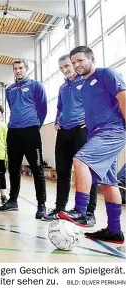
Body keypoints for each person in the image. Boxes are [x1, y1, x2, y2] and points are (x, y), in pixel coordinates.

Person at [59, 46, 125, 244]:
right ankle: (115, 231)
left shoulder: (107, 74)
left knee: (80, 159)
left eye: (80, 61)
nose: (77, 65)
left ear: (91, 59)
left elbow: (123, 99)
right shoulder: (85, 85)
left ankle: (81, 211)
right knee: (109, 183)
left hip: (112, 132)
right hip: (96, 133)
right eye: (74, 62)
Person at [43, 54, 98, 226]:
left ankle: (88, 212)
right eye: (61, 68)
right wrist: (58, 119)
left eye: (67, 66)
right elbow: (60, 107)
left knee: (86, 171)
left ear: (74, 64)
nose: (65, 70)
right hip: (64, 132)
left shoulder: (87, 82)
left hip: (82, 129)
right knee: (63, 171)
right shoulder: (62, 88)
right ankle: (60, 208)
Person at [0, 59, 48, 219]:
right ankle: (13, 201)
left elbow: (43, 108)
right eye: (15, 69)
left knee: (37, 169)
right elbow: (13, 108)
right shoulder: (10, 89)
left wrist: (34, 125)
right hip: (13, 132)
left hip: (31, 132)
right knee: (13, 169)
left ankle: (41, 205)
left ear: (26, 69)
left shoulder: (36, 86)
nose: (17, 71)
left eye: (20, 68)